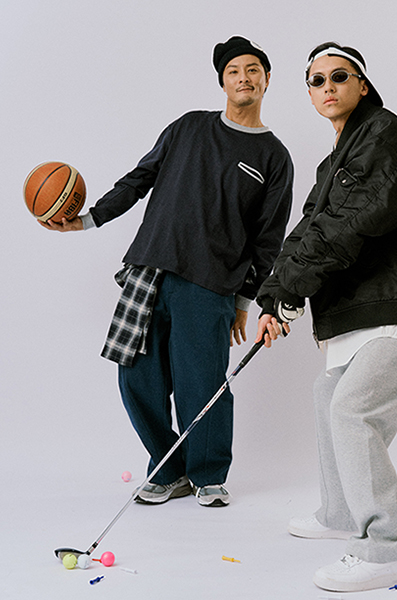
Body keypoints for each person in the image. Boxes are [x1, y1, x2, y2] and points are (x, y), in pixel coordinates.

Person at [41, 36, 293, 508]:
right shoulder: (188, 127)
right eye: (234, 71)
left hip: (211, 284)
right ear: (222, 82)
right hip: (149, 268)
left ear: (266, 80)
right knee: (136, 380)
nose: (244, 77)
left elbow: (268, 238)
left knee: (203, 385)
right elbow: (139, 179)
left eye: (253, 70)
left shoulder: (274, 157)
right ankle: (168, 469)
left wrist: (244, 301)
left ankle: (208, 474)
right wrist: (88, 219)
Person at [256, 42, 397, 592]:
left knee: (354, 410)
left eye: (340, 76)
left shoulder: (383, 135)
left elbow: (347, 226)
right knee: (328, 393)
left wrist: (293, 291)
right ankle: (340, 513)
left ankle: (385, 551)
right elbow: (308, 229)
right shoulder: (335, 160)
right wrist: (273, 295)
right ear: (309, 93)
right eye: (317, 80)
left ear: (363, 85)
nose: (328, 86)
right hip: (377, 303)